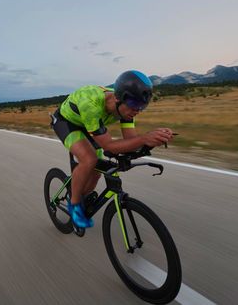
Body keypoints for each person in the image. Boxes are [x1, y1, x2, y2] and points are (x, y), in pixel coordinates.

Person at [51, 70, 174, 228]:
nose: (137, 111)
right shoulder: (91, 104)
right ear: (118, 99)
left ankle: (80, 192)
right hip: (67, 122)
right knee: (89, 160)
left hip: (90, 126)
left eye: (142, 107)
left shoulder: (128, 107)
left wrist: (152, 141)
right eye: (135, 106)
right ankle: (74, 205)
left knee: (97, 169)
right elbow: (109, 146)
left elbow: (130, 141)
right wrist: (144, 138)